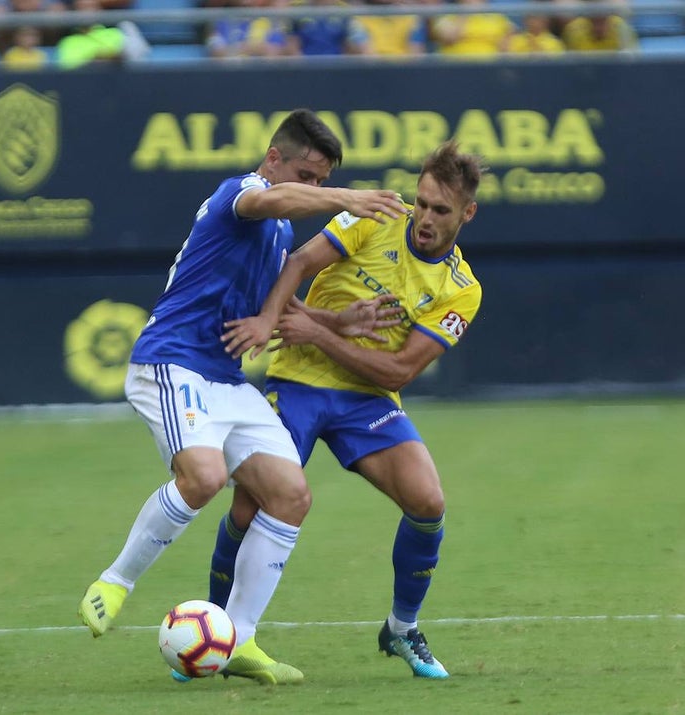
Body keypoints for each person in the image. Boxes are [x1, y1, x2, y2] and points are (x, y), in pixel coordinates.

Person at [77, 108, 406, 685]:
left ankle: (240, 639)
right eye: (307, 175)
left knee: (291, 495)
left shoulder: (279, 230)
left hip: (226, 380)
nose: (314, 188)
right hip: (172, 361)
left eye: (322, 181)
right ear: (274, 158)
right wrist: (344, 200)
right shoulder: (244, 192)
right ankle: (116, 581)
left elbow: (283, 307)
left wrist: (338, 324)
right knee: (201, 478)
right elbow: (270, 201)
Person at [210, 140, 486, 680]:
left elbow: (398, 372)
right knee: (250, 508)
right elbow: (297, 263)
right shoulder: (374, 219)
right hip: (298, 382)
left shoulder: (462, 290)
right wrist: (275, 320)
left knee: (428, 501)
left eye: (440, 210)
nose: (425, 218)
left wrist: (317, 329)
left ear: (467, 213)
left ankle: (402, 628)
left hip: (368, 399)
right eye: (422, 202)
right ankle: (216, 634)